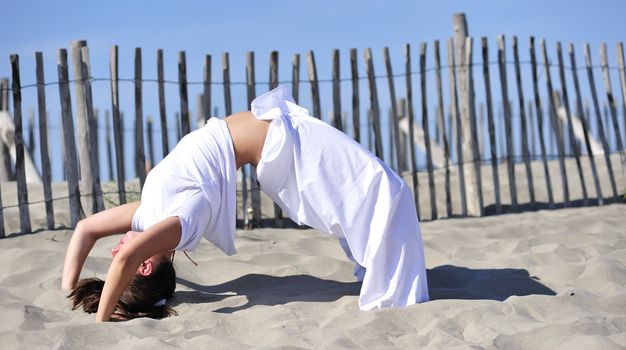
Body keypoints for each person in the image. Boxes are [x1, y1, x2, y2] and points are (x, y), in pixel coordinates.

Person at [62, 85, 429, 322]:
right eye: (116, 261)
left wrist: (69, 289)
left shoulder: (147, 214)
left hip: (280, 133)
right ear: (143, 268)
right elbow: (126, 258)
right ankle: (390, 282)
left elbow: (85, 229)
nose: (115, 250)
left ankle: (384, 267)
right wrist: (103, 320)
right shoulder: (180, 225)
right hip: (285, 149)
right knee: (382, 190)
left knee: (378, 192)